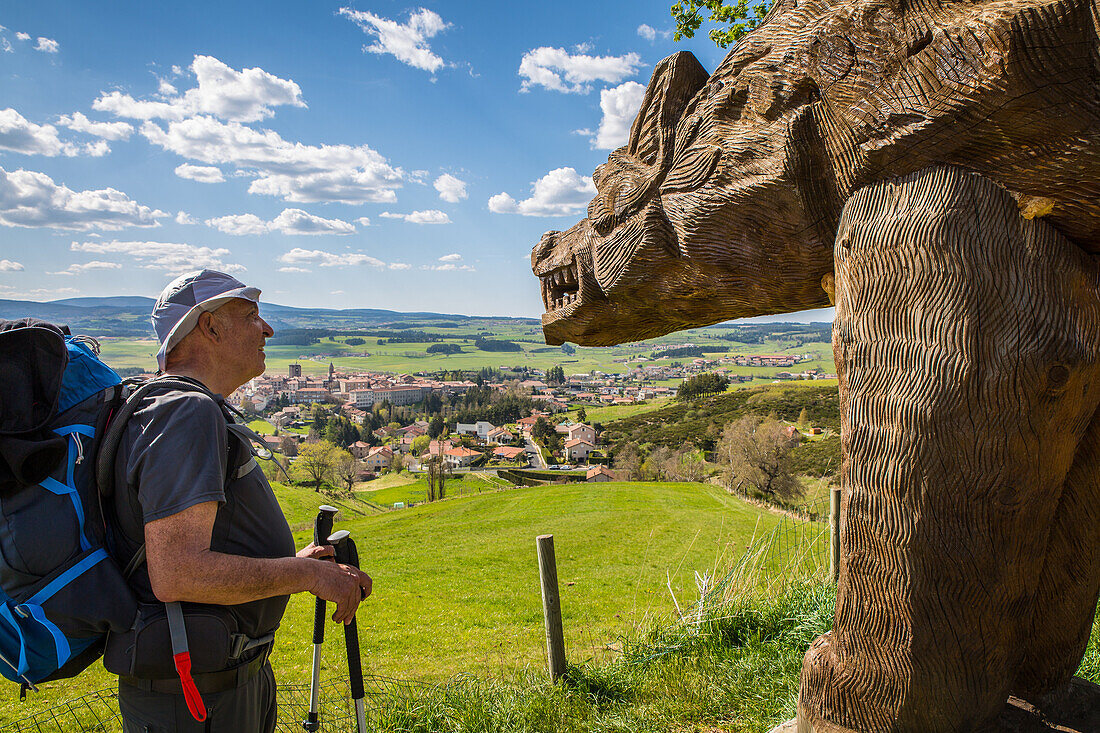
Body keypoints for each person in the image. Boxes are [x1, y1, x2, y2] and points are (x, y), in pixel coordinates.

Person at [105, 269, 372, 733]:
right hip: (196, 698)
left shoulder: (171, 407)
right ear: (210, 327)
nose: (267, 329)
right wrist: (307, 574)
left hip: (215, 682)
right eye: (251, 316)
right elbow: (177, 572)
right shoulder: (186, 411)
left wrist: (294, 565)